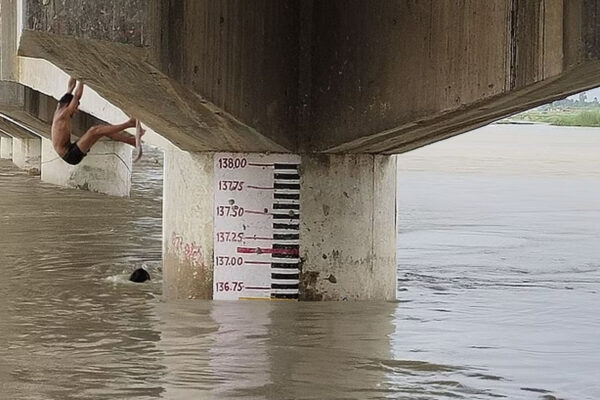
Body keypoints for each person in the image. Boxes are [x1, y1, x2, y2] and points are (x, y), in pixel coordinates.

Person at [51, 77, 144, 165]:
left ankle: (131, 141)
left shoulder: (61, 106)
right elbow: (77, 96)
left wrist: (75, 73)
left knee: (102, 130)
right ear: (69, 105)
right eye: (76, 107)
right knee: (94, 130)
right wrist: (82, 80)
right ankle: (130, 123)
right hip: (70, 155)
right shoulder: (63, 115)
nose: (76, 110)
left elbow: (71, 86)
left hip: (70, 148)